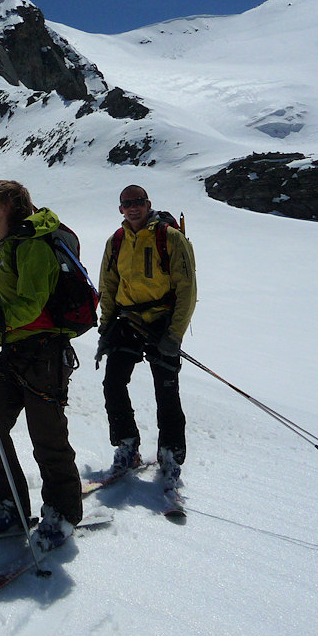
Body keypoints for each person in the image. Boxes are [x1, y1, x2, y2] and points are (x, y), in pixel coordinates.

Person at [0, 180, 83, 553]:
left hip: (44, 353)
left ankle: (62, 514)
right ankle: (6, 504)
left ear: (8, 206)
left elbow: (31, 306)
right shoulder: (10, 244)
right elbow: (14, 306)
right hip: (16, 350)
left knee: (47, 437)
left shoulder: (33, 245)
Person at [96, 184, 196, 489]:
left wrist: (174, 334)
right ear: (121, 209)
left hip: (161, 323)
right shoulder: (116, 241)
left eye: (138, 202)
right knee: (113, 383)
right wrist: (105, 329)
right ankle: (127, 446)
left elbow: (187, 289)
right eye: (127, 203)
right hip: (127, 321)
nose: (133, 207)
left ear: (147, 203)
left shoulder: (170, 237)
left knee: (166, 391)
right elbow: (108, 286)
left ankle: (170, 457)